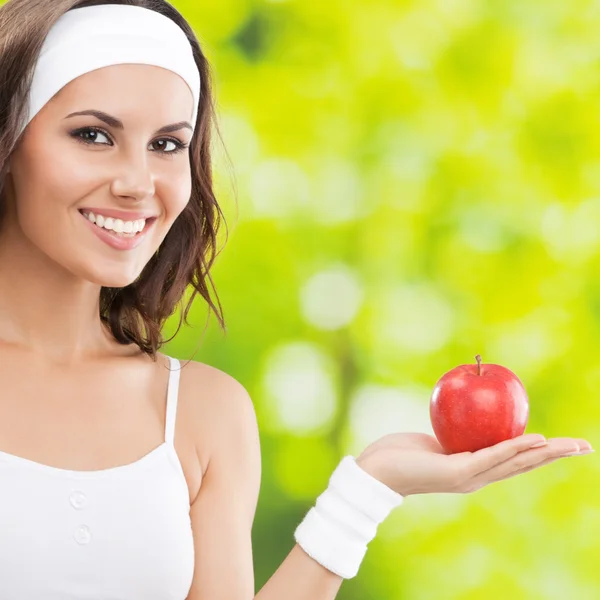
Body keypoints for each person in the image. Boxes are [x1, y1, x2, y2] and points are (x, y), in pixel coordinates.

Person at [0, 0, 592, 598]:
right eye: (93, 135)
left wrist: (369, 489)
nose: (136, 184)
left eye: (167, 145)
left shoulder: (202, 413)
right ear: (9, 141)